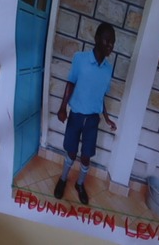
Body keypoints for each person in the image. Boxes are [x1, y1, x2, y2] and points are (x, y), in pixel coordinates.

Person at [54, 21, 120, 205]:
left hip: (92, 119)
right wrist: (62, 107)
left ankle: (80, 184)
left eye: (113, 42)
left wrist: (106, 118)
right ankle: (63, 178)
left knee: (86, 155)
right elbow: (71, 83)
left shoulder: (108, 69)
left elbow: (101, 96)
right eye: (107, 40)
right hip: (76, 115)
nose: (110, 45)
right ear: (97, 39)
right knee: (71, 151)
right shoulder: (80, 59)